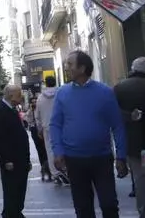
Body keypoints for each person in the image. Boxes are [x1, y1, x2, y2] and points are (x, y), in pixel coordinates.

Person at [49, 50, 128, 218]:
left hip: (102, 158)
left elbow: (117, 125)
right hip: (74, 159)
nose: (66, 67)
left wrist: (121, 156)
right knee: (83, 207)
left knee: (109, 205)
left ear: (82, 68)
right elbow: (55, 124)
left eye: (70, 64)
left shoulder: (105, 92)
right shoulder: (62, 93)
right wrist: (58, 152)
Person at [114, 57, 145, 218]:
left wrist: (129, 116)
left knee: (141, 180)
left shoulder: (120, 87)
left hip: (134, 143)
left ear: (133, 68)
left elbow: (114, 114)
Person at [0, 83, 31, 218]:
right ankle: (11, 214)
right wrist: (6, 160)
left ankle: (16, 212)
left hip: (21, 160)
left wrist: (27, 159)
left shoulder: (13, 109)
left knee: (20, 190)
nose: (21, 97)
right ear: (10, 95)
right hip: (11, 161)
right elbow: (0, 138)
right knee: (12, 191)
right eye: (19, 95)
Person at [35, 75, 64, 185]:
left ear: (46, 84)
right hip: (62, 126)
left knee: (50, 150)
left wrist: (39, 128)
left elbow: (37, 115)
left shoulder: (40, 98)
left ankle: (56, 173)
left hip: (47, 128)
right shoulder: (61, 94)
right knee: (64, 146)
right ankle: (66, 170)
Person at [26, 97, 52, 182]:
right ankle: (43, 167)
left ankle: (49, 167)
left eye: (35, 102)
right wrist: (30, 110)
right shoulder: (30, 111)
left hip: (42, 130)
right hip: (34, 130)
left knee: (45, 149)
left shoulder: (40, 109)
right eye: (32, 102)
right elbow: (27, 120)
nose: (34, 104)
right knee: (39, 150)